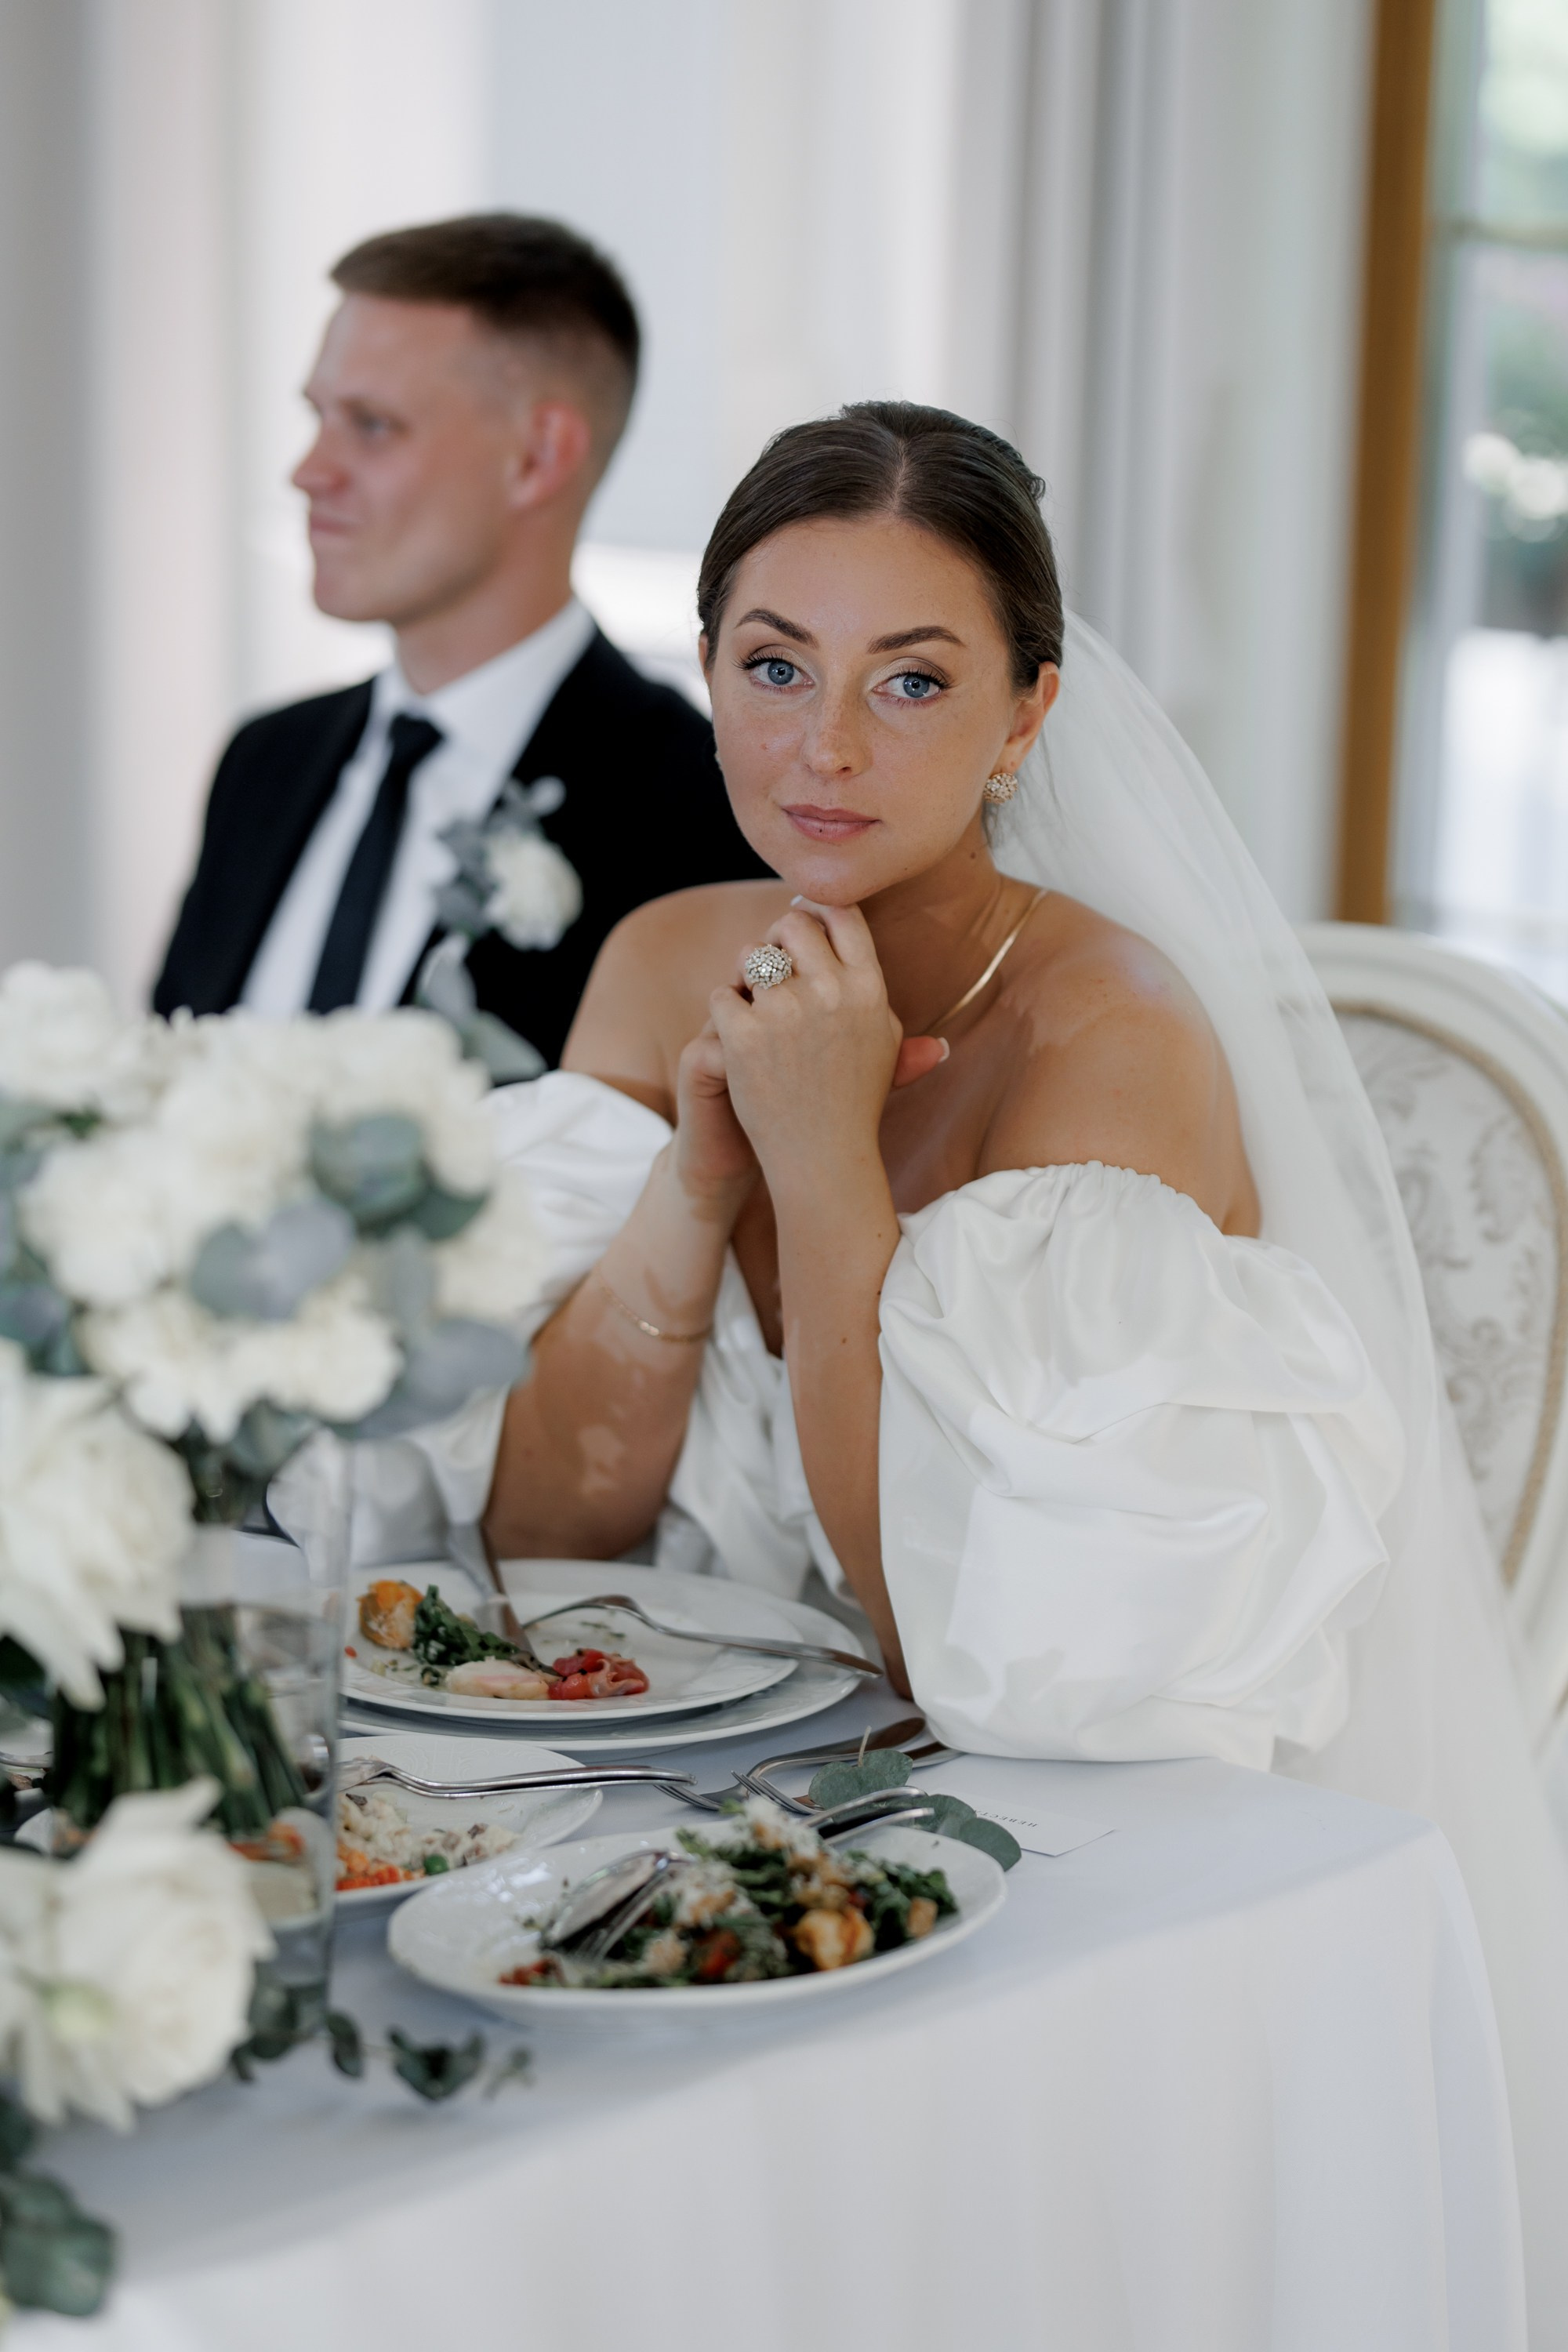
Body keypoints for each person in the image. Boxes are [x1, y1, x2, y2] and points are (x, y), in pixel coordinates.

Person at [383, 400, 1568, 2337]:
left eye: (909, 682)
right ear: (704, 675)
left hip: (1048, 1845)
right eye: (773, 666)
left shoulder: (1106, 1033)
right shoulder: (673, 954)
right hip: (702, 1795)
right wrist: (695, 1188)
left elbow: (972, 1640)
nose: (823, 744)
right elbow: (541, 1528)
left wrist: (831, 1167)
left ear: (1024, 713)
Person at [153, 212, 767, 1064]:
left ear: (536, 458)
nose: (308, 472)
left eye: (370, 425)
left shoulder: (700, 807)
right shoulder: (264, 763)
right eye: (317, 417)